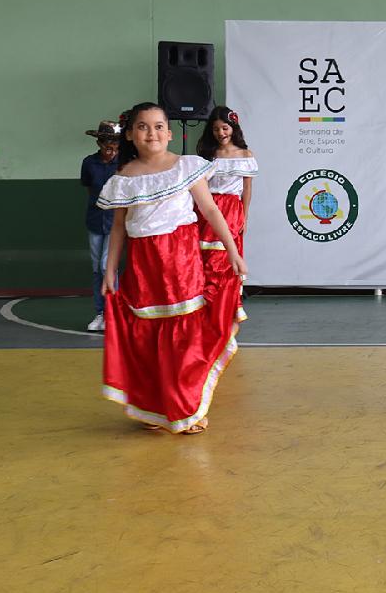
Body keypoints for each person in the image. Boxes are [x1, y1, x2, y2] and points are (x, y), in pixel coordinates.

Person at [97, 102, 247, 434]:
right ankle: (154, 406)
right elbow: (119, 228)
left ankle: (185, 407)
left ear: (169, 133)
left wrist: (232, 250)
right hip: (143, 269)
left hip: (182, 266)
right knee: (147, 339)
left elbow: (210, 210)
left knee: (183, 340)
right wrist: (110, 270)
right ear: (131, 135)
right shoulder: (124, 178)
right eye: (143, 126)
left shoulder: (186, 167)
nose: (151, 133)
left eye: (158, 126)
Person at [195, 106, 256, 317]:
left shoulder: (245, 155)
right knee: (207, 256)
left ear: (233, 128)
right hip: (207, 207)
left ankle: (225, 306)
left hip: (231, 209)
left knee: (224, 257)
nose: (221, 133)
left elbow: (247, 189)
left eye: (224, 128)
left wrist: (244, 216)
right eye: (215, 129)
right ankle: (205, 305)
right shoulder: (208, 155)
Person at [80, 120, 121, 331]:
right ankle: (100, 313)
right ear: (99, 143)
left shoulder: (123, 164)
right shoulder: (89, 163)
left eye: (115, 147)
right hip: (95, 220)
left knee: (107, 266)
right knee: (97, 268)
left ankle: (114, 313)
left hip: (116, 223)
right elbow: (89, 188)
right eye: (108, 147)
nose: (111, 152)